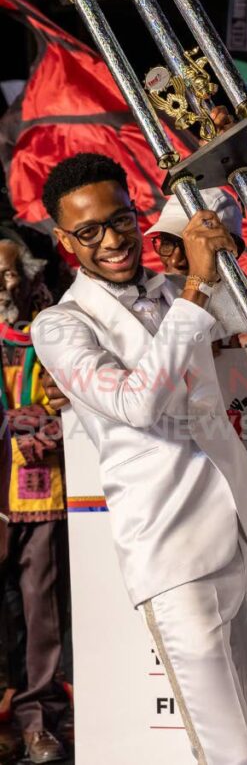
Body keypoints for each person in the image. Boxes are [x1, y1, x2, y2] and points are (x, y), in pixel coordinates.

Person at [31, 154, 247, 765]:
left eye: (120, 220)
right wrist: (198, 291)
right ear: (66, 241)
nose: (112, 240)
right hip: (174, 553)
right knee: (232, 755)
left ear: (138, 215)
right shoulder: (60, 325)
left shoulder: (175, 292)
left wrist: (230, 249)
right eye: (89, 231)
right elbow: (139, 403)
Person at [0, 238, 70, 763]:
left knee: (39, 610)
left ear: (26, 276)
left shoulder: (52, 333)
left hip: (37, 488)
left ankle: (37, 719)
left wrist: (46, 426)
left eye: (6, 274)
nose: (1, 285)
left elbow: (80, 401)